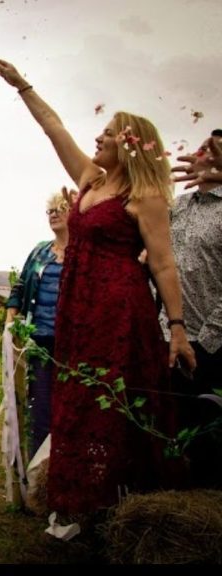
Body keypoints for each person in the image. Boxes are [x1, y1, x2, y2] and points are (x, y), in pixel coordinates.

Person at [0, 58, 196, 518]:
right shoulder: (89, 180)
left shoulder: (145, 198)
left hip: (120, 310)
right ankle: (81, 500)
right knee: (79, 398)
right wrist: (22, 85)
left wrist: (178, 327)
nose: (98, 138)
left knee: (112, 403)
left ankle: (123, 503)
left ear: (129, 145)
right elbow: (54, 128)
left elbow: (163, 264)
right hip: (78, 306)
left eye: (107, 133)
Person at [164, 129, 222, 489]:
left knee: (207, 430)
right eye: (201, 146)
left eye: (212, 148)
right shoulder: (179, 205)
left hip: (210, 342)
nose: (201, 153)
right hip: (167, 333)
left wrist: (208, 339)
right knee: (169, 423)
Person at [5, 189, 70, 460]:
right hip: (39, 343)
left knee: (69, 413)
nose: (53, 213)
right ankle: (36, 476)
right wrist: (10, 323)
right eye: (50, 210)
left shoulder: (84, 252)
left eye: (61, 208)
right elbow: (19, 287)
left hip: (72, 346)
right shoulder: (40, 251)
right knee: (40, 410)